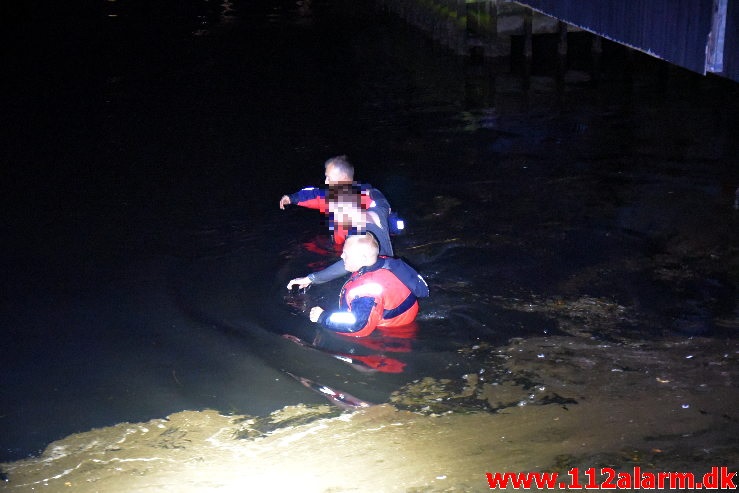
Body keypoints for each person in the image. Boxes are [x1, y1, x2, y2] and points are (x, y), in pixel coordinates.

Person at [306, 234, 429, 338]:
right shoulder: (384, 262)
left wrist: (323, 317)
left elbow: (357, 326)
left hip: (391, 331)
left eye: (346, 254)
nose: (341, 256)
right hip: (402, 313)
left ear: (363, 259)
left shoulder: (368, 290)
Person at [286, 185, 393, 289]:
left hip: (374, 280)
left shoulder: (357, 231)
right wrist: (371, 191)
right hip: (391, 266)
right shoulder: (380, 210)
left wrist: (311, 278)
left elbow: (347, 263)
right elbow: (381, 199)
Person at [278, 155, 391, 246]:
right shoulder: (331, 196)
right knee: (307, 245)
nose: (326, 182)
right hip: (340, 247)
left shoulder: (369, 197)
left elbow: (383, 217)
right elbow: (313, 194)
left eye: (329, 178)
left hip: (364, 248)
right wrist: (292, 198)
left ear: (344, 179)